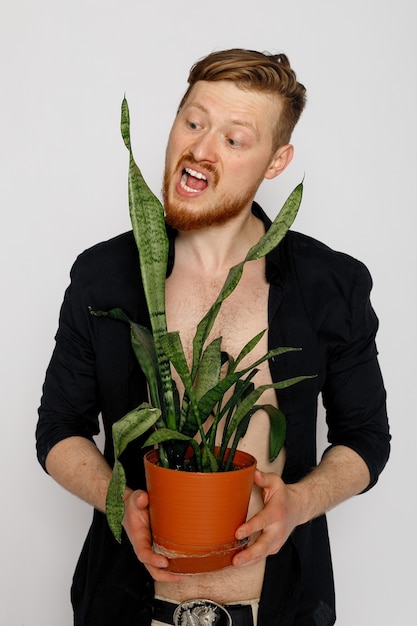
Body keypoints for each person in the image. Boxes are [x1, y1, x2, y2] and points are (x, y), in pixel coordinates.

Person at [36, 48, 390, 626]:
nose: (201, 149)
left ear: (277, 161)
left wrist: (298, 503)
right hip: (125, 608)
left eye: (234, 138)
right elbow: (57, 430)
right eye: (194, 123)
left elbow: (367, 439)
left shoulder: (332, 284)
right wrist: (119, 500)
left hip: (278, 611)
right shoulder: (103, 276)